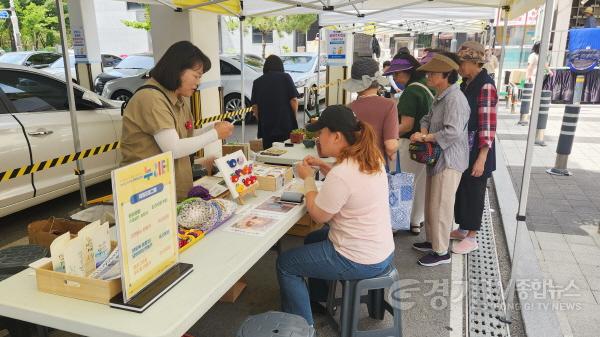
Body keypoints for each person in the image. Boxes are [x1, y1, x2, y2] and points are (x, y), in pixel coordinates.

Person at [276, 105, 395, 327]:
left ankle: (303, 328)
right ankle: (315, 298)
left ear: (337, 136)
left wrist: (308, 179)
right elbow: (351, 185)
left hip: (358, 258)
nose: (318, 138)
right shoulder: (370, 156)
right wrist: (322, 165)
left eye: (321, 133)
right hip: (382, 250)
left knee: (286, 264)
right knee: (313, 239)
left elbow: (319, 215)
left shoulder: (342, 173)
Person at [120, 41, 234, 201]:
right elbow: (173, 148)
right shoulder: (151, 98)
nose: (198, 82)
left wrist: (211, 128)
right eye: (196, 76)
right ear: (177, 70)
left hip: (171, 190)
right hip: (148, 195)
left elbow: (186, 136)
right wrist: (215, 134)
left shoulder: (177, 98)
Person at [410, 53, 470, 267]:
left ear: (446, 75)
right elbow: (426, 117)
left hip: (449, 159)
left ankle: (441, 251)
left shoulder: (455, 98)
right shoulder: (441, 94)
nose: (428, 76)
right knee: (432, 202)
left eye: (432, 73)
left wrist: (425, 137)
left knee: (442, 205)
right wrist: (424, 130)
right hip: (438, 158)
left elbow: (452, 132)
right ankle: (432, 241)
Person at [452, 41, 498, 254]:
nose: (459, 66)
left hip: (479, 148)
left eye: (462, 62)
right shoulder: (466, 83)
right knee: (463, 188)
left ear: (474, 62)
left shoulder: (485, 85)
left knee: (475, 190)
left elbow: (488, 125)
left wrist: (481, 157)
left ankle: (472, 236)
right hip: (465, 146)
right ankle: (463, 228)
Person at [383, 53, 435, 235]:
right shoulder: (429, 86)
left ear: (406, 72)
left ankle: (396, 223)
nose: (395, 79)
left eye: (397, 74)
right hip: (425, 146)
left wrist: (386, 135)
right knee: (420, 184)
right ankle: (415, 221)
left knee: (401, 183)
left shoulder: (411, 91)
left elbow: (406, 125)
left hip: (408, 144)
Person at [343, 58, 399, 160]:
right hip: (376, 168)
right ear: (377, 83)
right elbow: (390, 146)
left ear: (356, 86)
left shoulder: (348, 108)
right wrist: (394, 152)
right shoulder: (389, 105)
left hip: (351, 165)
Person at [251, 55, 300, 149]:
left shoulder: (257, 82)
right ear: (280, 66)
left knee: (269, 153)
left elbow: (255, 106)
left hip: (266, 126)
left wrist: (260, 119)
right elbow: (293, 100)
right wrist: (294, 117)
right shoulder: (285, 77)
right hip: (285, 124)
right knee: (286, 151)